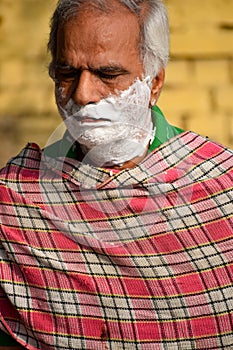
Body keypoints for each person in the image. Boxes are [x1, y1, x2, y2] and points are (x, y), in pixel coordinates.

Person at [0, 0, 232, 348]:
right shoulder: (16, 197)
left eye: (108, 75)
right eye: (66, 74)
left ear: (154, 83)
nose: (82, 94)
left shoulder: (221, 185)